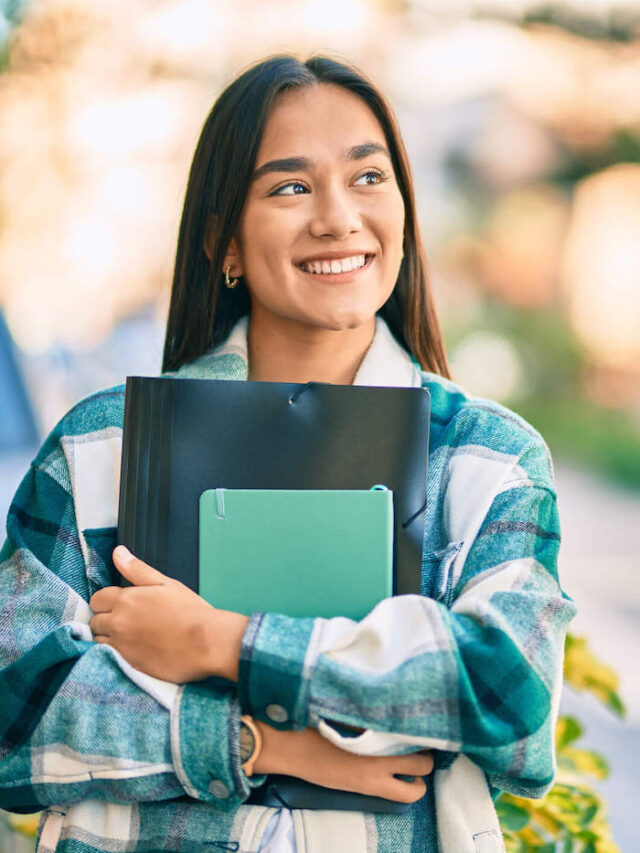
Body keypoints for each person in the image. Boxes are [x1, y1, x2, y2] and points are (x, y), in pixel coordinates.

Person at [0, 55, 576, 852]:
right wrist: (254, 742)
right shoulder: (104, 446)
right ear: (223, 240)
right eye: (290, 187)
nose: (338, 217)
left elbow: (505, 694)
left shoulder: (488, 461)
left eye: (368, 178)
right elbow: (18, 711)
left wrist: (218, 640)